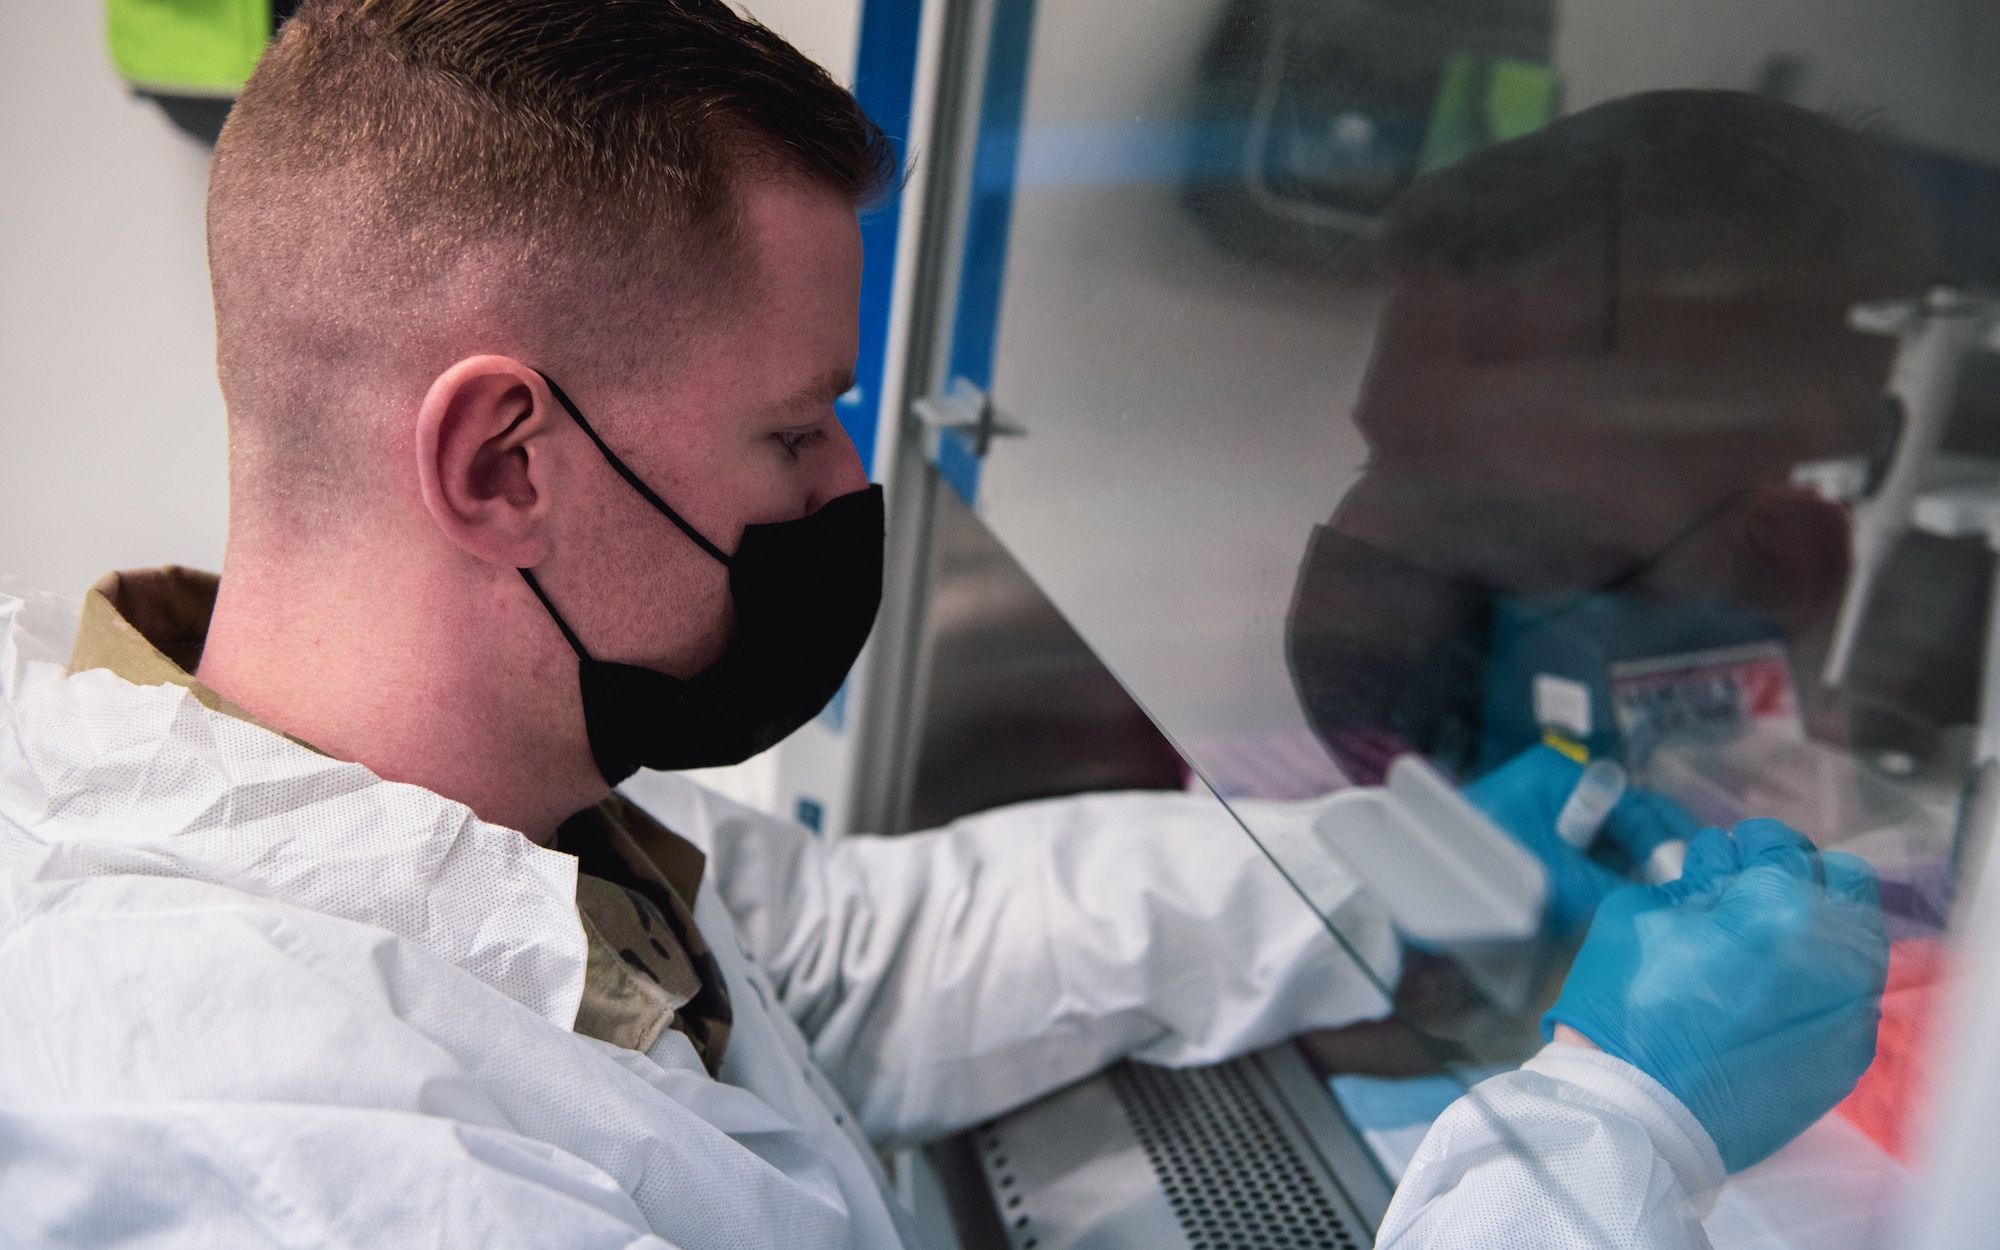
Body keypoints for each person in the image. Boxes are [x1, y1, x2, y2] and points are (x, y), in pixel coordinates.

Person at [0, 3, 1404, 1245]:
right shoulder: (292, 1153)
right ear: (504, 465)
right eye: (798, 428)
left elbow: (846, 959)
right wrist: (1598, 1137)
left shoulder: (508, 797)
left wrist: (1389, 870)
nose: (852, 486)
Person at [1286, 92, 1925, 1246]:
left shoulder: (1787, 568)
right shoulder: (1395, 623)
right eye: (1386, 452)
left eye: (1478, 498)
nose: (1369, 541)